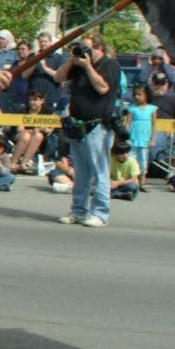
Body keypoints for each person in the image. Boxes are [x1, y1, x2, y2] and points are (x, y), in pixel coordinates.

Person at [54, 31, 120, 227]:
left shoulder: (109, 65)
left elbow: (102, 88)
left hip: (98, 125)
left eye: (87, 48)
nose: (84, 52)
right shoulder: (79, 65)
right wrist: (72, 60)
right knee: (81, 172)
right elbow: (58, 77)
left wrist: (88, 66)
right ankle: (78, 210)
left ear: (99, 48)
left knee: (100, 171)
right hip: (77, 125)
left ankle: (100, 213)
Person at [125, 84, 156, 189]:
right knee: (132, 158)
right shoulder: (132, 108)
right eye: (135, 95)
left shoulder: (152, 109)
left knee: (143, 160)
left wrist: (153, 138)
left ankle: (143, 180)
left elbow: (154, 124)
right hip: (133, 138)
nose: (137, 97)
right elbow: (128, 123)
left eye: (140, 94)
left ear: (146, 95)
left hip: (145, 138)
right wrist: (125, 137)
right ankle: (133, 180)